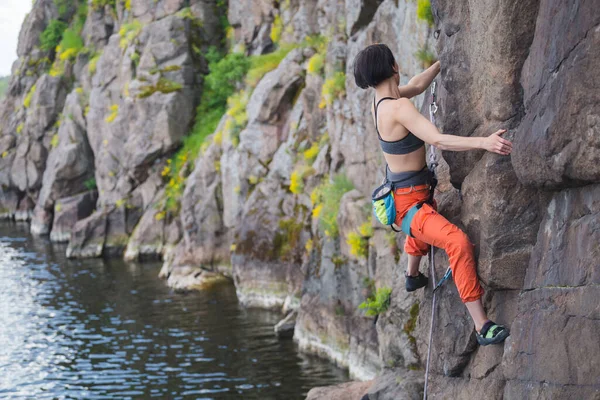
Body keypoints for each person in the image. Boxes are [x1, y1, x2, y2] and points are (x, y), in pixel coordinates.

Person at [352, 44, 510, 345]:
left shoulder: (383, 100)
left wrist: (442, 62)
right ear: (392, 66)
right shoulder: (398, 108)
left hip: (406, 197)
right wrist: (485, 142)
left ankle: (412, 276)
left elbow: (417, 85)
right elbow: (438, 139)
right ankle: (482, 326)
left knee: (423, 220)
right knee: (457, 242)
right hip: (410, 203)